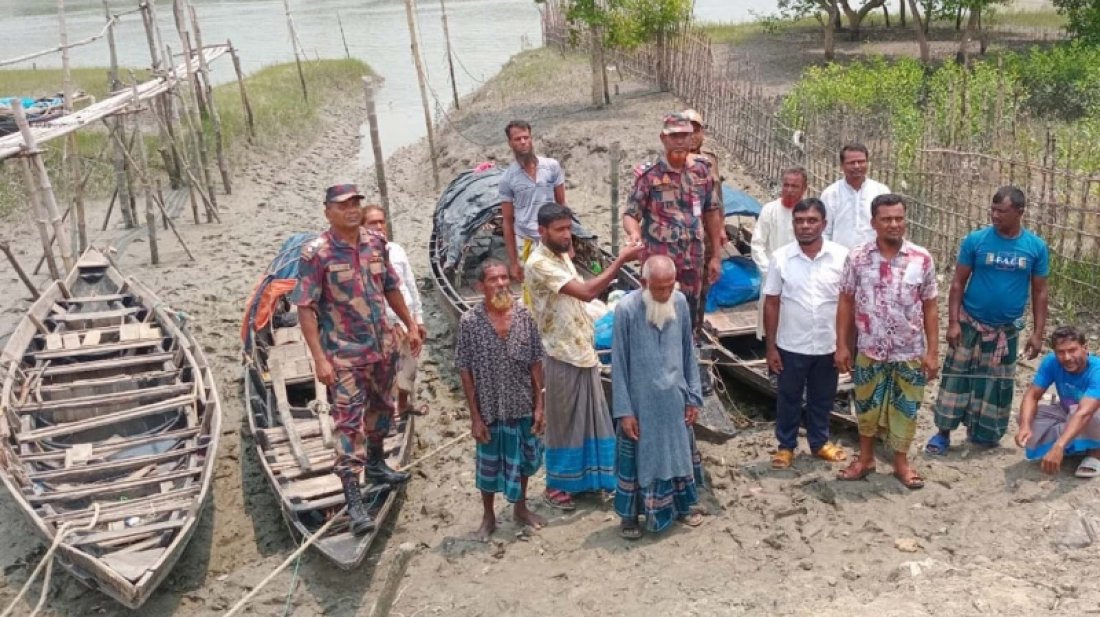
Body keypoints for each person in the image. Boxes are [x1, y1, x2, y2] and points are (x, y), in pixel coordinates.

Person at [291, 184, 422, 535]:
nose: (352, 209)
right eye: (343, 205)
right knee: (348, 425)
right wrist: (319, 358)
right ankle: (353, 500)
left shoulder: (375, 243)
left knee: (382, 408)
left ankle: (377, 466)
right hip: (344, 356)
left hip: (382, 348)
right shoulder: (315, 254)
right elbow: (305, 308)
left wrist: (410, 323)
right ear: (328, 211)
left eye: (355, 204)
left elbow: (391, 287)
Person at [525, 202, 643, 510]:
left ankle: (589, 480)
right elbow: (588, 292)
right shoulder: (538, 262)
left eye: (568, 229)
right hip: (559, 351)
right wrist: (620, 260)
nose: (567, 236)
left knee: (591, 419)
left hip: (581, 347)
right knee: (563, 421)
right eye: (560, 230)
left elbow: (575, 267)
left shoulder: (561, 252)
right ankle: (556, 486)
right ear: (542, 231)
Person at [927, 186, 1050, 454]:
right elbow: (958, 283)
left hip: (1006, 330)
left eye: (1002, 211)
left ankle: (984, 434)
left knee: (996, 383)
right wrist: (953, 322)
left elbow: (1039, 291)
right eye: (993, 210)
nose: (995, 215)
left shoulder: (1035, 247)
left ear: (1020, 212)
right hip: (971, 323)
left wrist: (1038, 333)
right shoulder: (976, 240)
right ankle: (943, 433)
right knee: (956, 378)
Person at [835, 194, 939, 490]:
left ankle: (901, 463)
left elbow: (931, 306)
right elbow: (845, 301)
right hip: (869, 348)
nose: (894, 224)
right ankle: (865, 458)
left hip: (909, 351)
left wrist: (932, 352)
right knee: (866, 406)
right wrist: (842, 345)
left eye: (899, 218)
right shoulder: (857, 258)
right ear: (874, 223)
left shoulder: (921, 258)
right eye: (887, 219)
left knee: (906, 407)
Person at [611, 255, 706, 539]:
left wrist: (693, 396)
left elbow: (689, 352)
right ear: (643, 283)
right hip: (640, 404)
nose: (665, 293)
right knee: (638, 460)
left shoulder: (679, 303)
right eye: (658, 288)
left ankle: (682, 508)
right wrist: (624, 411)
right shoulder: (626, 310)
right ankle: (629, 517)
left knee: (679, 457)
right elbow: (619, 363)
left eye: (669, 287)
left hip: (674, 399)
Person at [456, 260, 548, 540]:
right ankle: (489, 516)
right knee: (488, 464)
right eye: (493, 280)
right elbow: (465, 369)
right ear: (480, 287)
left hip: (522, 402)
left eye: (504, 278)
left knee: (523, 459)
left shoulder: (524, 315)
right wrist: (475, 416)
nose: (500, 284)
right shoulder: (470, 322)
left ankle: (520, 508)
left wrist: (540, 405)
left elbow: (535, 362)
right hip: (490, 407)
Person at [763, 198, 849, 470]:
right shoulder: (781, 258)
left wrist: (845, 344)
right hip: (791, 343)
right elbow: (772, 302)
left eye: (812, 220)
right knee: (788, 397)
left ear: (824, 224)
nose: (805, 226)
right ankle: (786, 447)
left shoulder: (841, 257)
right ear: (793, 225)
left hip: (827, 343)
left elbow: (848, 302)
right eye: (799, 221)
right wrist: (771, 347)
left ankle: (819, 442)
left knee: (822, 397)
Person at [624, 113, 724, 332]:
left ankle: (689, 357)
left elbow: (711, 211)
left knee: (690, 318)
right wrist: (634, 235)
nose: (680, 141)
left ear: (692, 138)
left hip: (693, 262)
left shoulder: (701, 170)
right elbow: (631, 214)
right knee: (656, 317)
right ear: (663, 138)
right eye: (674, 136)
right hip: (659, 264)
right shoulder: (649, 175)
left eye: (685, 136)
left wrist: (716, 255)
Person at [363, 204, 429, 427]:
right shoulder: (361, 255)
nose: (380, 226)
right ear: (363, 227)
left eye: (382, 222)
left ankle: (403, 405)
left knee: (409, 368)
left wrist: (417, 320)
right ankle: (386, 414)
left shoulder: (397, 250)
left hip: (405, 317)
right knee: (387, 372)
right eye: (373, 223)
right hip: (383, 325)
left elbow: (410, 284)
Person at [1015, 326, 1100, 478]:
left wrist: (1059, 445)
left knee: (1084, 413)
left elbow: (1084, 412)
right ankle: (1074, 447)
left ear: (1085, 348)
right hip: (1067, 411)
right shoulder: (1051, 362)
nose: (1066, 357)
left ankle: (1095, 454)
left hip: (1089, 413)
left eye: (1072, 350)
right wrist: (1025, 426)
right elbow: (1032, 396)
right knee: (1026, 417)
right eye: (1060, 352)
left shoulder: (1097, 370)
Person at [498, 120, 566, 285]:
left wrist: (568, 246)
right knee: (532, 287)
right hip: (526, 240)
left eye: (526, 137)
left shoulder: (552, 166)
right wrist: (513, 262)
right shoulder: (507, 178)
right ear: (510, 143)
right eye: (518, 139)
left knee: (559, 283)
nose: (523, 142)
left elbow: (562, 207)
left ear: (531, 138)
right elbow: (507, 221)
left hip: (550, 237)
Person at [751, 167, 808, 339]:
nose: (789, 190)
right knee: (772, 324)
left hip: (803, 277)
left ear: (804, 189)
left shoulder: (809, 212)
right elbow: (757, 244)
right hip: (773, 275)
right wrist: (770, 271)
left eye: (795, 186)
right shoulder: (770, 210)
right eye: (786, 185)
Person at [821, 143, 891, 249]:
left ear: (867, 163)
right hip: (841, 259)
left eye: (861, 162)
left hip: (875, 258)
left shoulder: (881, 191)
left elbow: (888, 226)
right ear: (842, 165)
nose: (857, 166)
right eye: (851, 163)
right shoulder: (830, 194)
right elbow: (824, 232)